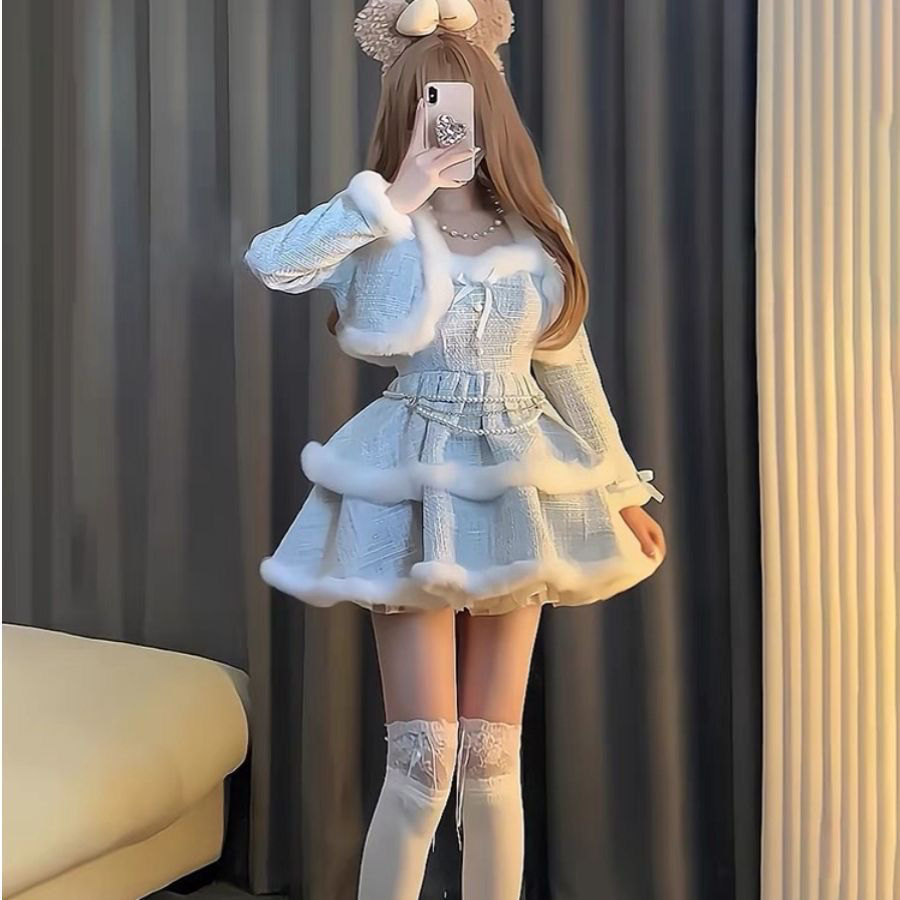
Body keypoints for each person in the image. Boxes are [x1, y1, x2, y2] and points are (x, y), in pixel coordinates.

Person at [244, 1, 667, 897]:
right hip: (411, 476)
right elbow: (273, 262)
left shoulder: (537, 224)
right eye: (428, 98)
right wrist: (391, 196)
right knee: (424, 761)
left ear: (491, 105)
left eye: (462, 96)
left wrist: (623, 489)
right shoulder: (380, 224)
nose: (447, 117)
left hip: (519, 474)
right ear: (404, 108)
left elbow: (570, 365)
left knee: (491, 761)